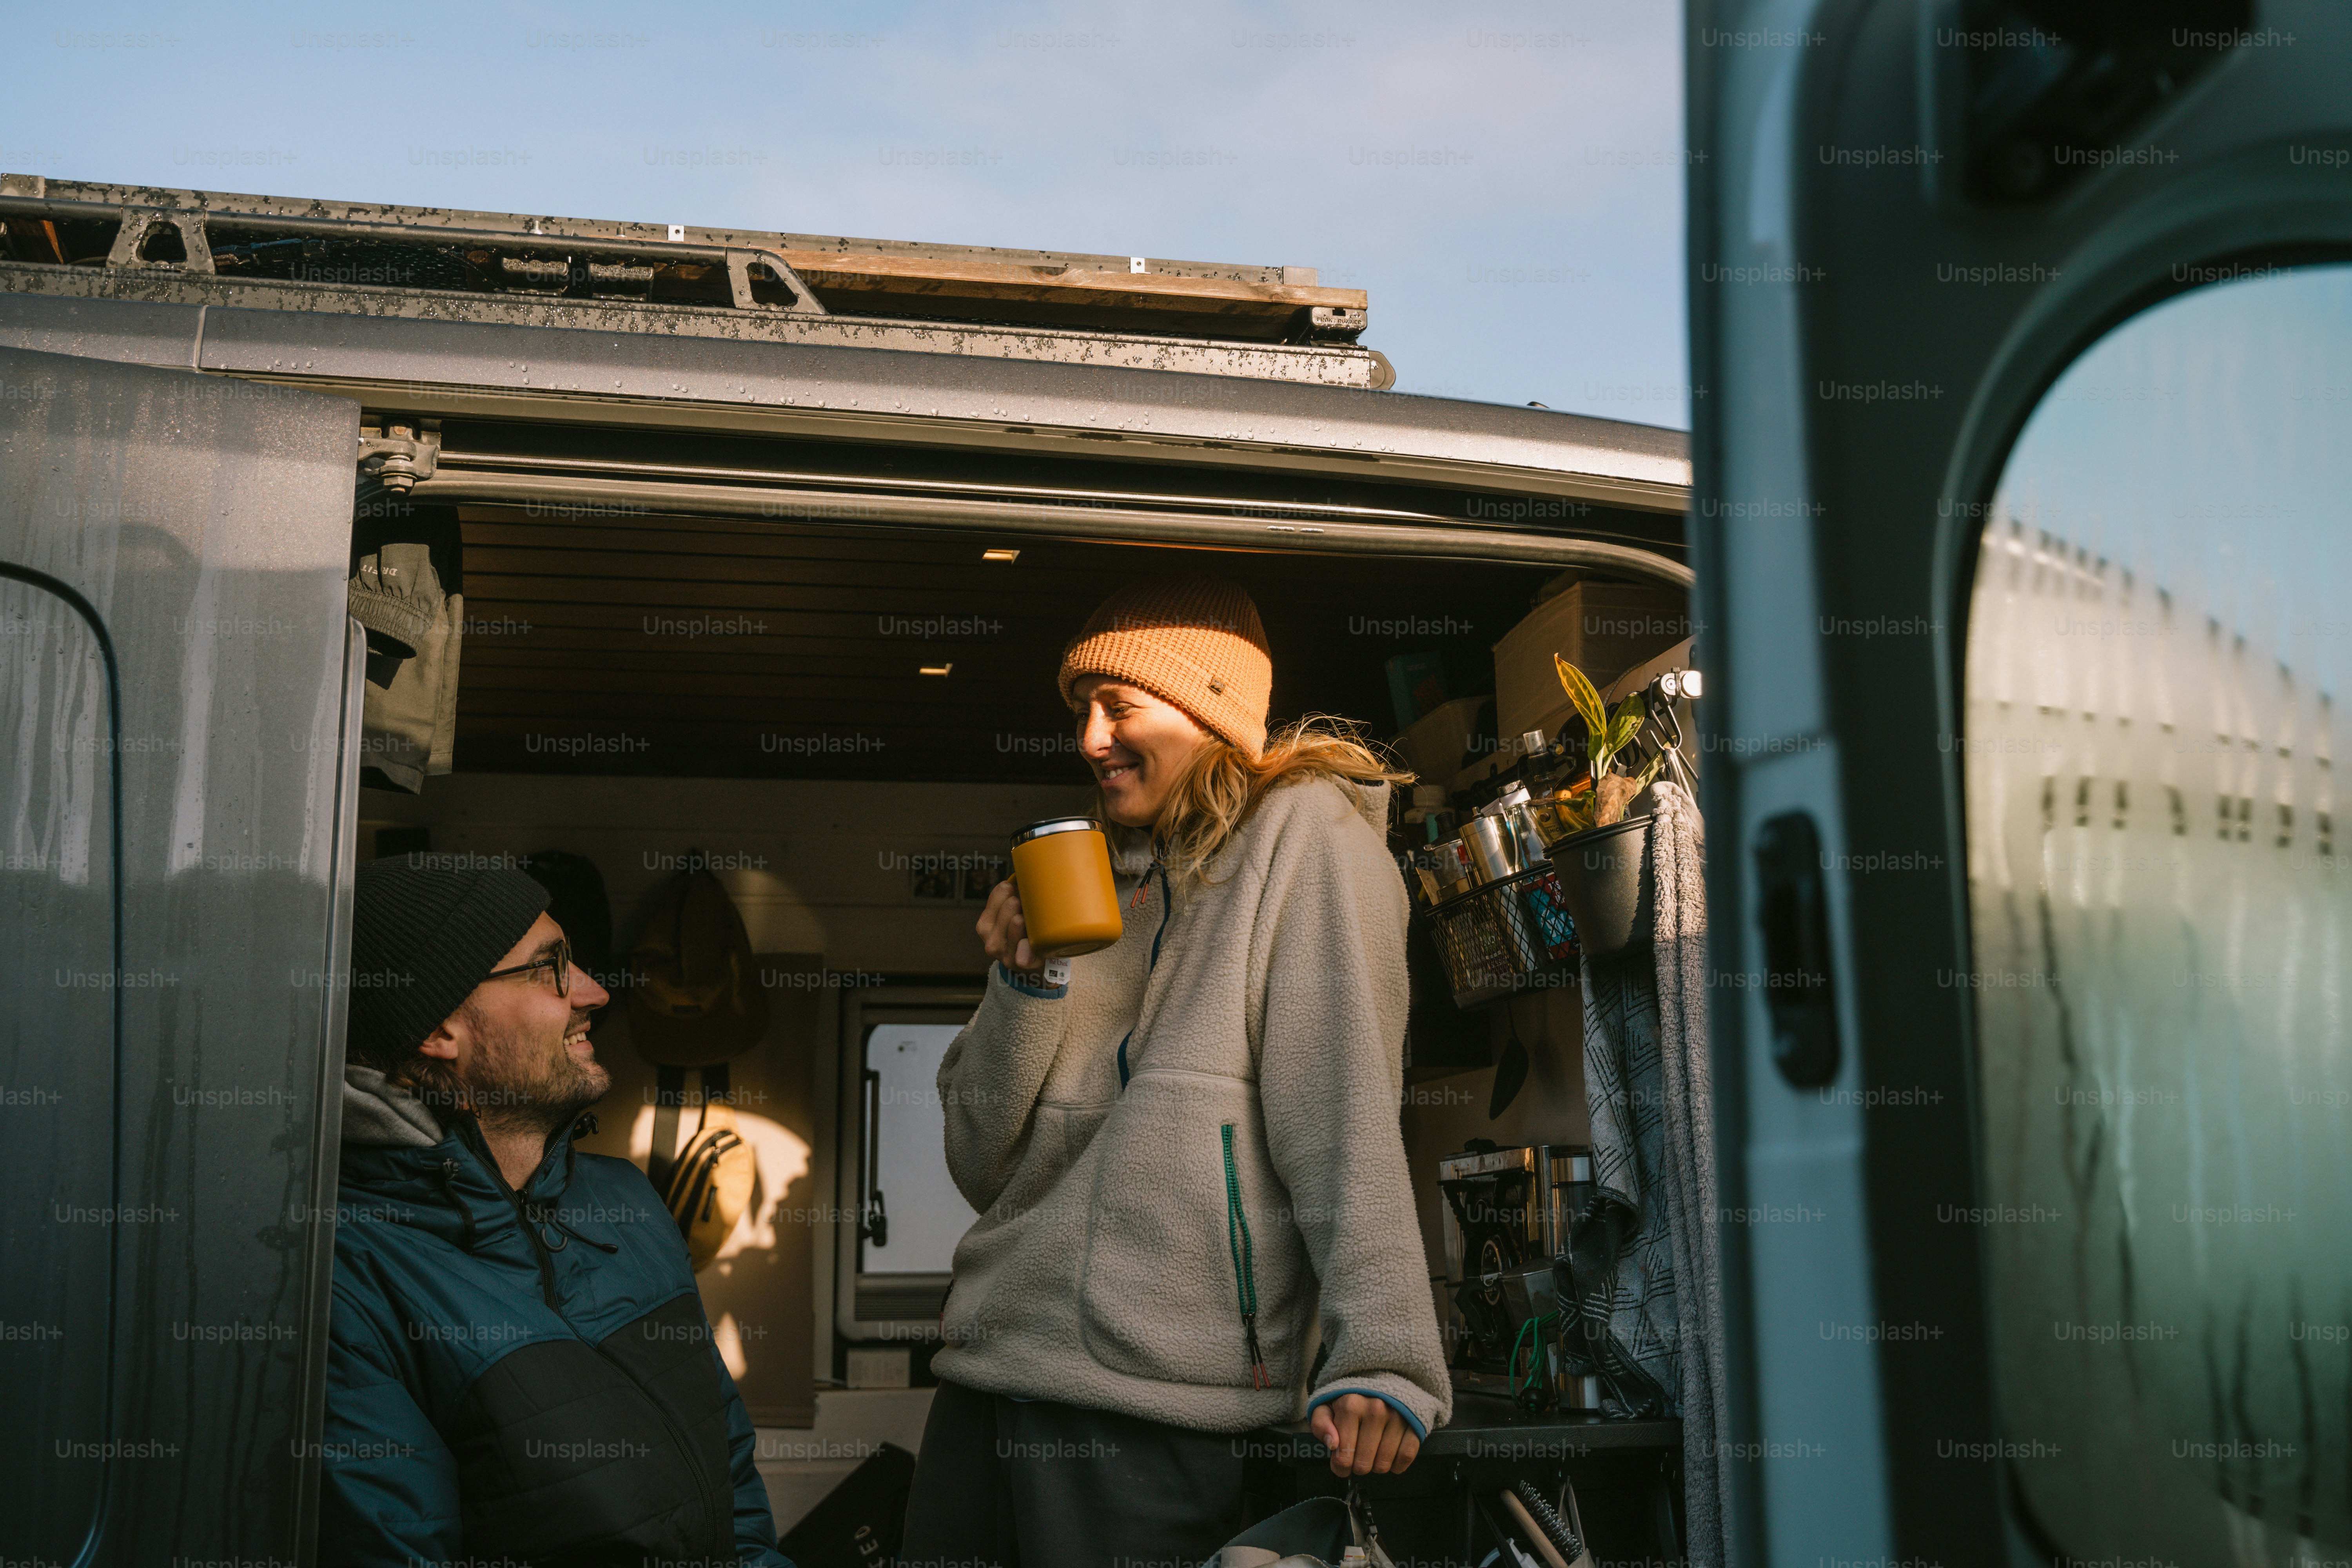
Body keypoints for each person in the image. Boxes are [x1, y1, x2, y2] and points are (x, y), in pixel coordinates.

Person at [901, 578, 1450, 1567]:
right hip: (984, 1384)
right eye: (1081, 713)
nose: (1090, 740)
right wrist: (1027, 981)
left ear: (1207, 706)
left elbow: (1346, 1115)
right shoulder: (1087, 879)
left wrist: (1385, 1355)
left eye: (1119, 706)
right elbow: (979, 1160)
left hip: (1152, 1409)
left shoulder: (1307, 841)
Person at [318, 856, 793, 1567]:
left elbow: (730, 1480)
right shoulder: (347, 1274)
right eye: (551, 968)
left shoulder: (625, 1202)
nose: (596, 993)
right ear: (441, 1027)